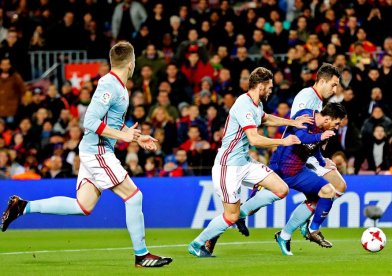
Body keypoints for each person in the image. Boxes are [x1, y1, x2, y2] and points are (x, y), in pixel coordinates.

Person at [0, 41, 172, 268]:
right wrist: (123, 137)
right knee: (134, 196)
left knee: (84, 206)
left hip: (95, 149)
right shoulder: (110, 85)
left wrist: (137, 137)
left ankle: (23, 206)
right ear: (131, 64)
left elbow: (108, 123)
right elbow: (89, 121)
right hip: (97, 150)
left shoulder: (118, 86)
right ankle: (142, 255)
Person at [187, 67, 312, 257]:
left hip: (244, 162)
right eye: (269, 87)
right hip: (228, 167)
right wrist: (282, 141)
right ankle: (197, 244)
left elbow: (266, 118)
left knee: (281, 189)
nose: (271, 90)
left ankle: (241, 214)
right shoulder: (243, 104)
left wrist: (292, 123)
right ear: (260, 86)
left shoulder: (256, 104)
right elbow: (254, 139)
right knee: (230, 215)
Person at [235, 63, 346, 247]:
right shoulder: (306, 97)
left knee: (336, 188)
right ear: (323, 81)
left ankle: (298, 228)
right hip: (292, 158)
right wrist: (318, 140)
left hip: (306, 156)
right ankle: (216, 232)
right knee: (255, 202)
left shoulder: (318, 102)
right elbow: (298, 131)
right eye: (333, 85)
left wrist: (321, 156)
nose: (335, 90)